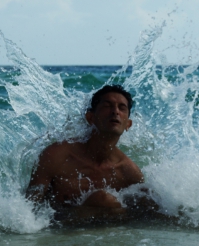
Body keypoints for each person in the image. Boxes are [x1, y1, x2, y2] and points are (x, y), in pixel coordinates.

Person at [25, 84, 159, 223]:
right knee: (103, 199)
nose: (115, 112)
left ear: (128, 125)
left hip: (104, 237)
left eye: (122, 108)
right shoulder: (57, 155)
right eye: (107, 106)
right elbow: (28, 209)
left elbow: (145, 216)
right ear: (91, 118)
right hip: (61, 234)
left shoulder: (129, 172)